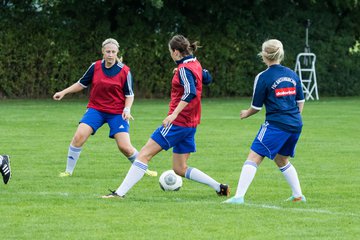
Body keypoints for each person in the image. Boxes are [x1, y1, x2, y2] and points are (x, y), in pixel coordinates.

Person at [102, 34, 230, 199]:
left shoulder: (184, 69)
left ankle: (119, 194)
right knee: (180, 168)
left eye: (170, 51)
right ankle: (219, 187)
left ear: (176, 52)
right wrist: (183, 73)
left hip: (178, 123)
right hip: (191, 124)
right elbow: (208, 78)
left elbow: (190, 92)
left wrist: (173, 115)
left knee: (143, 155)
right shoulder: (194, 63)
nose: (170, 54)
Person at [53, 38, 157, 177]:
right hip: (96, 109)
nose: (110, 54)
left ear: (117, 53)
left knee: (125, 147)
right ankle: (68, 171)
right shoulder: (94, 67)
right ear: (103, 52)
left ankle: (143, 169)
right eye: (108, 51)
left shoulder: (124, 71)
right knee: (79, 136)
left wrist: (127, 110)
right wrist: (63, 92)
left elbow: (129, 95)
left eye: (113, 52)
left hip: (117, 113)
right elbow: (81, 84)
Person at [224, 39, 306, 204]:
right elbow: (301, 101)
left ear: (263, 55)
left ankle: (238, 197)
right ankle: (298, 195)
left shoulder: (263, 77)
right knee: (281, 159)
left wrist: (246, 113)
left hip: (276, 125)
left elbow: (256, 106)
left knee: (254, 157)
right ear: (281, 54)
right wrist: (293, 118)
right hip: (296, 124)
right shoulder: (292, 74)